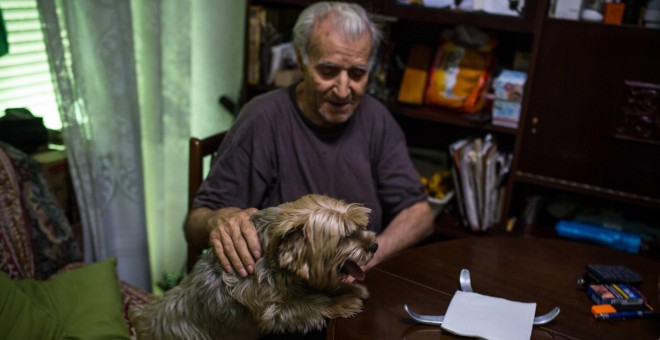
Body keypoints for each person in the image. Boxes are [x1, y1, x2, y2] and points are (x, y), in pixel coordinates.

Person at [185, 0, 433, 294]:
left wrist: (367, 258)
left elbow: (420, 214)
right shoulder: (262, 119)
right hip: (283, 301)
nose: (343, 90)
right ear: (301, 61)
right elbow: (195, 225)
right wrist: (217, 220)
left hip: (355, 289)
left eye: (357, 74)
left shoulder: (375, 118)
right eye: (328, 71)